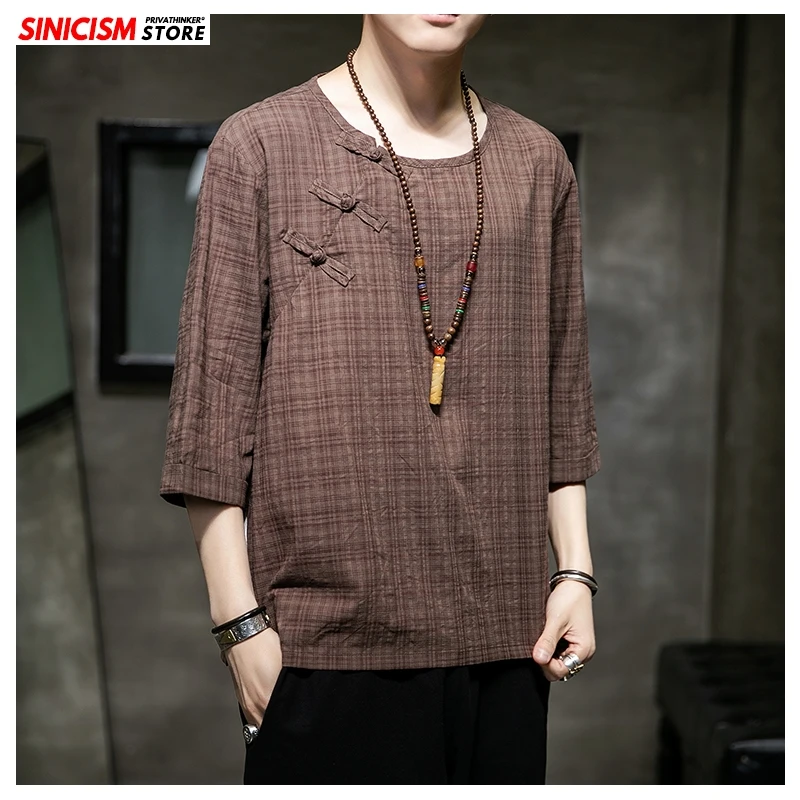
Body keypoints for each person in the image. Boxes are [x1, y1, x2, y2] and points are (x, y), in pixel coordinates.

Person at [160, 13, 601, 785]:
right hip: (322, 647)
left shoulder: (537, 162)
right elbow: (211, 412)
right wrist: (239, 628)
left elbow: (561, 394)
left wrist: (575, 574)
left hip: (508, 641)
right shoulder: (259, 144)